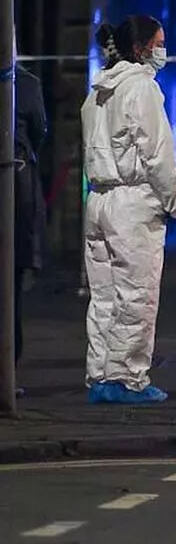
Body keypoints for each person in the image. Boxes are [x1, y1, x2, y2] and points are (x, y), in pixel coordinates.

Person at [82, 15, 176, 404]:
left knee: (104, 296)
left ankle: (100, 376)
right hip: (133, 201)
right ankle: (128, 378)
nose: (163, 49)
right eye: (159, 42)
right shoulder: (141, 88)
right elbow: (157, 153)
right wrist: (175, 201)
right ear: (142, 48)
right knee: (136, 293)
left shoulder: (97, 91)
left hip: (98, 199)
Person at [14, 40, 48, 393]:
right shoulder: (25, 84)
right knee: (11, 286)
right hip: (16, 193)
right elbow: (40, 131)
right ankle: (8, 370)